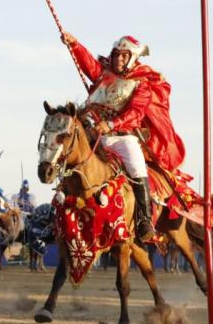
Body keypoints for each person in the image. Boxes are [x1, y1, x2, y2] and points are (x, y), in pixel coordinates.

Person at [63, 32, 187, 243]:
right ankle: (57, 213)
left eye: (124, 56)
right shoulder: (104, 74)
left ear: (132, 58)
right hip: (94, 133)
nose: (118, 59)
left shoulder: (143, 84)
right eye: (116, 55)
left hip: (122, 137)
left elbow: (136, 113)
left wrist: (111, 124)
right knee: (68, 154)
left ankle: (144, 220)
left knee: (136, 165)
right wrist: (74, 44)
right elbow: (88, 64)